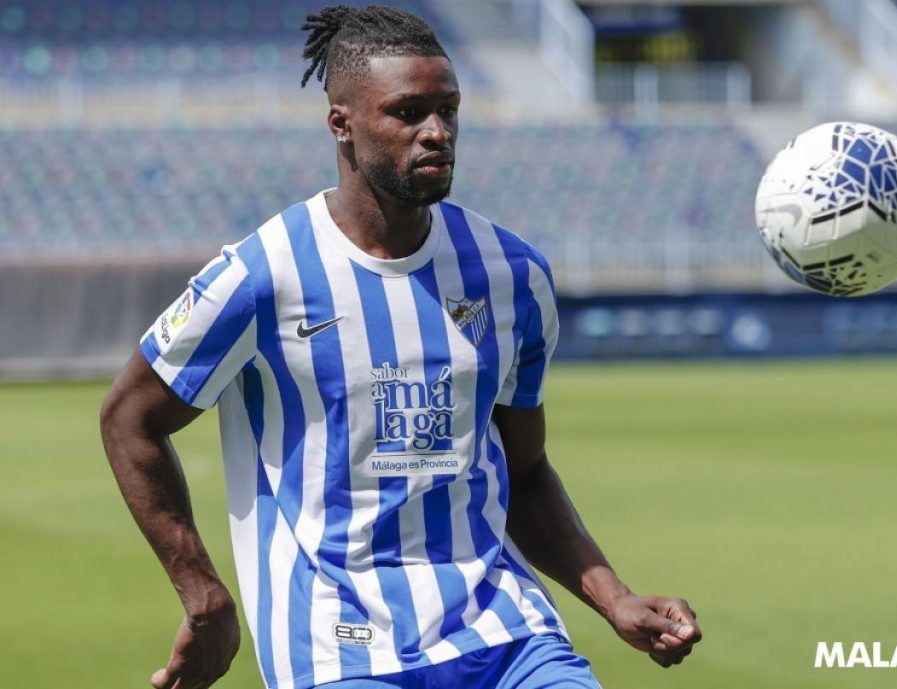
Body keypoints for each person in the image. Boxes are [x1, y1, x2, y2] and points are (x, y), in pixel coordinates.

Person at [99, 5, 701, 689]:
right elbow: (129, 418)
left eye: (448, 109)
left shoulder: (512, 275)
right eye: (408, 112)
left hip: (505, 631)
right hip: (338, 646)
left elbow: (524, 471)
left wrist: (614, 596)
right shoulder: (262, 274)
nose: (437, 132)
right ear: (342, 124)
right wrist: (203, 594)